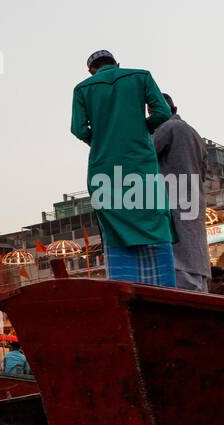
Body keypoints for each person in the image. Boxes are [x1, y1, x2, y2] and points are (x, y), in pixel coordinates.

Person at [71, 50, 175, 287]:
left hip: (104, 169)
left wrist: (99, 140)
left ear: (91, 70)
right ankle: (163, 290)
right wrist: (142, 129)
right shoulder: (141, 76)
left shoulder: (83, 89)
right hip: (140, 165)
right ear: (117, 64)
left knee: (114, 226)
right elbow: (162, 112)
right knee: (154, 220)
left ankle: (125, 289)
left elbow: (79, 129)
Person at [153, 93, 209, 292]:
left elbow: (143, 157)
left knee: (180, 260)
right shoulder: (194, 134)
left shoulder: (167, 128)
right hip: (192, 203)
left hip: (175, 203)